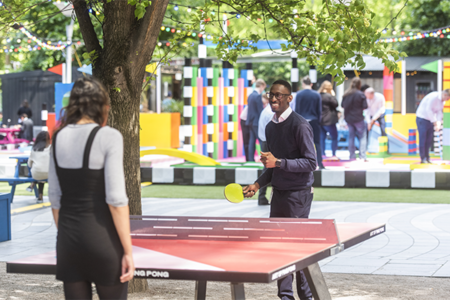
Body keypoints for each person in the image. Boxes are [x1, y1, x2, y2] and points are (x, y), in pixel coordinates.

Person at [48, 78, 134, 300]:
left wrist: (68, 236)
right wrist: (128, 251)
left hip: (68, 242)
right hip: (103, 241)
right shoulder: (109, 137)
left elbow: (55, 199)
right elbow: (116, 200)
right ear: (103, 105)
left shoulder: (57, 138)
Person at [244, 79, 317, 300]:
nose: (273, 98)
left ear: (289, 98)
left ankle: (306, 295)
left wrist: (279, 163)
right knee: (278, 248)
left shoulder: (301, 125)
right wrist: (257, 185)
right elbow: (272, 165)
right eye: (271, 94)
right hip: (278, 194)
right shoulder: (269, 127)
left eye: (279, 95)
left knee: (296, 248)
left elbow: (311, 163)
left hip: (298, 195)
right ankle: (285, 296)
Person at [294, 76, 324, 169]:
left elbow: (297, 110)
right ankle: (320, 163)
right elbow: (319, 111)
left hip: (302, 121)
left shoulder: (299, 94)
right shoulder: (316, 94)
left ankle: (301, 163)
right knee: (317, 143)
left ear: (303, 83)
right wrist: (319, 121)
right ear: (311, 84)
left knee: (300, 143)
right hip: (314, 120)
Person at [416, 89, 450, 164]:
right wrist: (434, 121)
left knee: (429, 140)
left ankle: (428, 158)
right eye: (448, 98)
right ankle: (423, 158)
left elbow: (439, 112)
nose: (447, 100)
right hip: (422, 118)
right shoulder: (434, 97)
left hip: (430, 120)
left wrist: (439, 123)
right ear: (445, 95)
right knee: (423, 139)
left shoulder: (442, 102)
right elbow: (428, 110)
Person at [342, 77, 368, 160]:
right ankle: (362, 156)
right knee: (362, 137)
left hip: (349, 119)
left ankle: (352, 156)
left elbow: (342, 105)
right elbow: (365, 106)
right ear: (359, 84)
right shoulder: (360, 94)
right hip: (358, 118)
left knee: (351, 137)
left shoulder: (346, 94)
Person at [256, 93, 273, 206]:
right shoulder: (271, 113)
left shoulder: (266, 111)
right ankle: (262, 195)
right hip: (270, 142)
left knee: (267, 169)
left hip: (265, 141)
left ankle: (262, 196)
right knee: (269, 169)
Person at [27, 131, 51, 203]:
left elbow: (29, 164)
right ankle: (37, 191)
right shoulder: (51, 148)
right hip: (49, 173)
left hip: (36, 174)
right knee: (43, 169)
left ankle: (33, 184)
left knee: (36, 168)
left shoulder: (34, 149)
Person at [246, 79, 266, 161]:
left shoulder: (250, 95)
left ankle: (251, 159)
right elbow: (260, 110)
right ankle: (264, 158)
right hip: (256, 122)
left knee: (252, 141)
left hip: (250, 121)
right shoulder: (258, 96)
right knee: (261, 140)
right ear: (261, 86)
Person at [318, 81, 339, 159]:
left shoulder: (318, 95)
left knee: (322, 138)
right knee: (334, 137)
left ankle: (322, 155)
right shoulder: (329, 96)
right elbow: (336, 104)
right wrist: (333, 95)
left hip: (320, 120)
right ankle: (333, 154)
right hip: (329, 120)